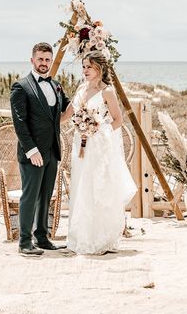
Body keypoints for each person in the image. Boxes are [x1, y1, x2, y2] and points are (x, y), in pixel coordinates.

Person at [61, 50, 137, 254]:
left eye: (89, 67)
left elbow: (118, 120)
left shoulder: (107, 91)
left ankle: (99, 238)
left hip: (99, 147)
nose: (85, 70)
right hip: (81, 146)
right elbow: (68, 114)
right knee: (80, 186)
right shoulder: (80, 88)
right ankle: (81, 236)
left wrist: (96, 129)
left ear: (99, 69)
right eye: (83, 66)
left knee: (97, 188)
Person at [10, 42, 70, 256]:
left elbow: (68, 107)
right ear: (32, 60)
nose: (44, 63)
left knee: (45, 196)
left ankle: (42, 237)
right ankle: (25, 241)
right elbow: (19, 122)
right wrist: (31, 150)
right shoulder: (21, 86)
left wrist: (88, 92)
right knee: (30, 195)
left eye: (47, 59)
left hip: (52, 150)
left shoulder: (56, 85)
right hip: (32, 153)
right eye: (40, 59)